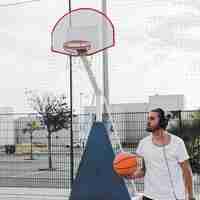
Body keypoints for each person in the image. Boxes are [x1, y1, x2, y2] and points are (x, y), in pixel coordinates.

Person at [129, 108, 194, 200]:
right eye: (148, 118)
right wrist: (130, 175)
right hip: (149, 196)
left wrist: (191, 196)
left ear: (161, 122)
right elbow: (141, 170)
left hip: (173, 197)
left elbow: (186, 171)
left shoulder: (177, 143)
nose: (148, 121)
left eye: (152, 119)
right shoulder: (142, 144)